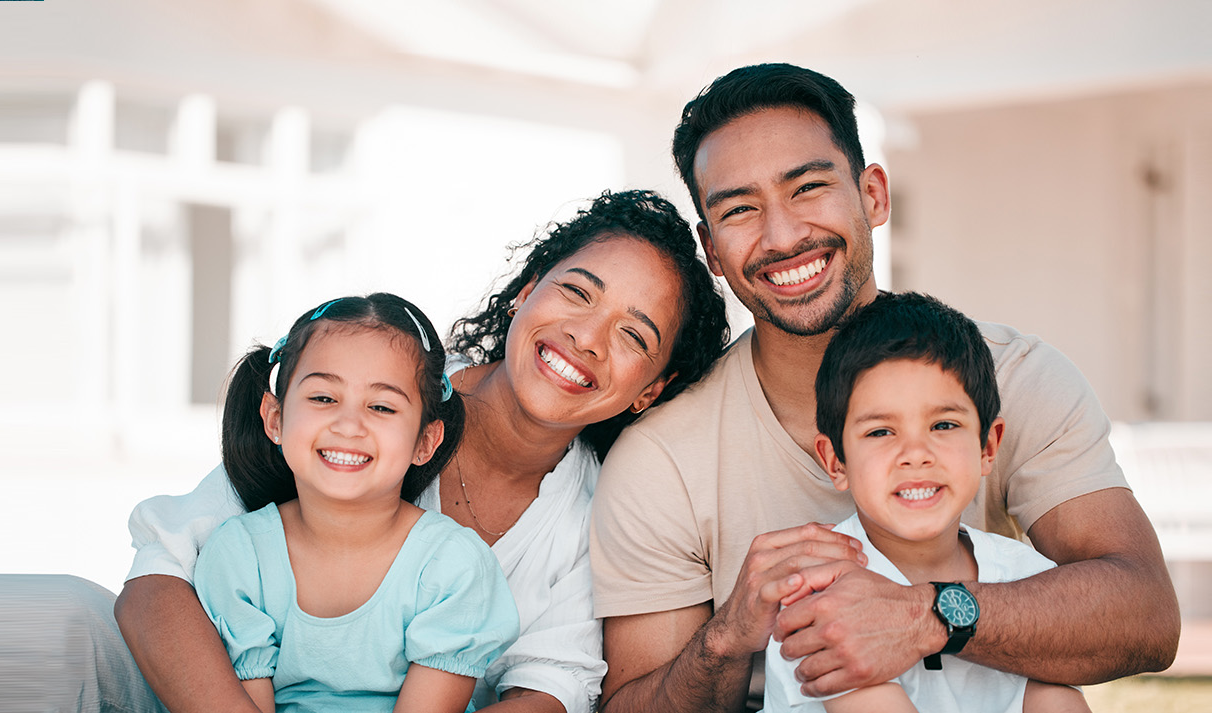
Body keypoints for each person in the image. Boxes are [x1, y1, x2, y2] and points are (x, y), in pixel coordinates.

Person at [591, 63, 1178, 713]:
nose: (783, 235)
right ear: (711, 247)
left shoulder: (1016, 376)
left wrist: (927, 614)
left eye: (808, 187)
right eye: (740, 209)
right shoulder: (663, 459)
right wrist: (727, 636)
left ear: (873, 195)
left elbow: (1147, 616)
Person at [115, 189, 732, 713]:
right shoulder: (368, 400)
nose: (587, 338)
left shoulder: (603, 510)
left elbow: (551, 686)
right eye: (576, 293)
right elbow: (157, 581)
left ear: (649, 391)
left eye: (632, 334)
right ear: (524, 291)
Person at [760, 291, 1089, 713]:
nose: (916, 453)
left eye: (944, 424)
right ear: (835, 460)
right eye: (880, 432)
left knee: (1058, 692)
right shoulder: (819, 593)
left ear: (988, 447)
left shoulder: (1026, 579)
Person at [194, 293, 518, 713]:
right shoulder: (239, 556)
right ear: (275, 418)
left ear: (425, 441)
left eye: (381, 406)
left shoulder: (452, 566)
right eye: (323, 398)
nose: (349, 425)